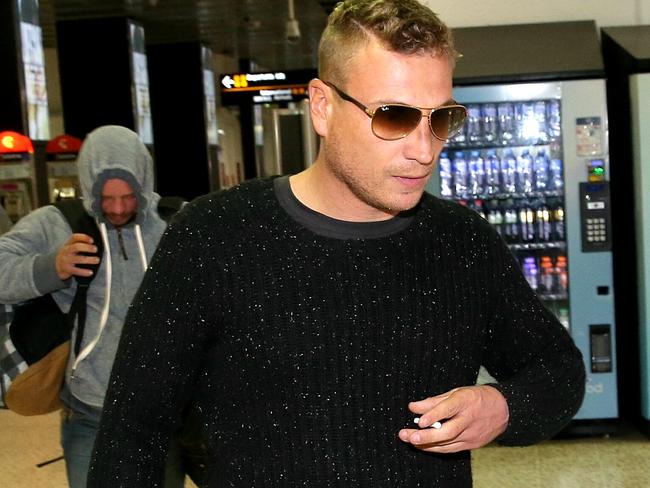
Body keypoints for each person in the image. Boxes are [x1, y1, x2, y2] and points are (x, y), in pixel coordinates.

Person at [88, 2, 586, 487]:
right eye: (394, 116)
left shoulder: (462, 242)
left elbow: (557, 370)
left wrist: (502, 407)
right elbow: (133, 430)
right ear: (322, 106)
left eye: (442, 119)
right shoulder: (214, 235)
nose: (424, 148)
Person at [0, 125, 185, 488]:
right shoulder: (57, 224)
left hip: (161, 414)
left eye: (129, 197)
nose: (117, 209)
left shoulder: (175, 222)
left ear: (144, 184)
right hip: (87, 413)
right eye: (106, 198)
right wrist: (50, 267)